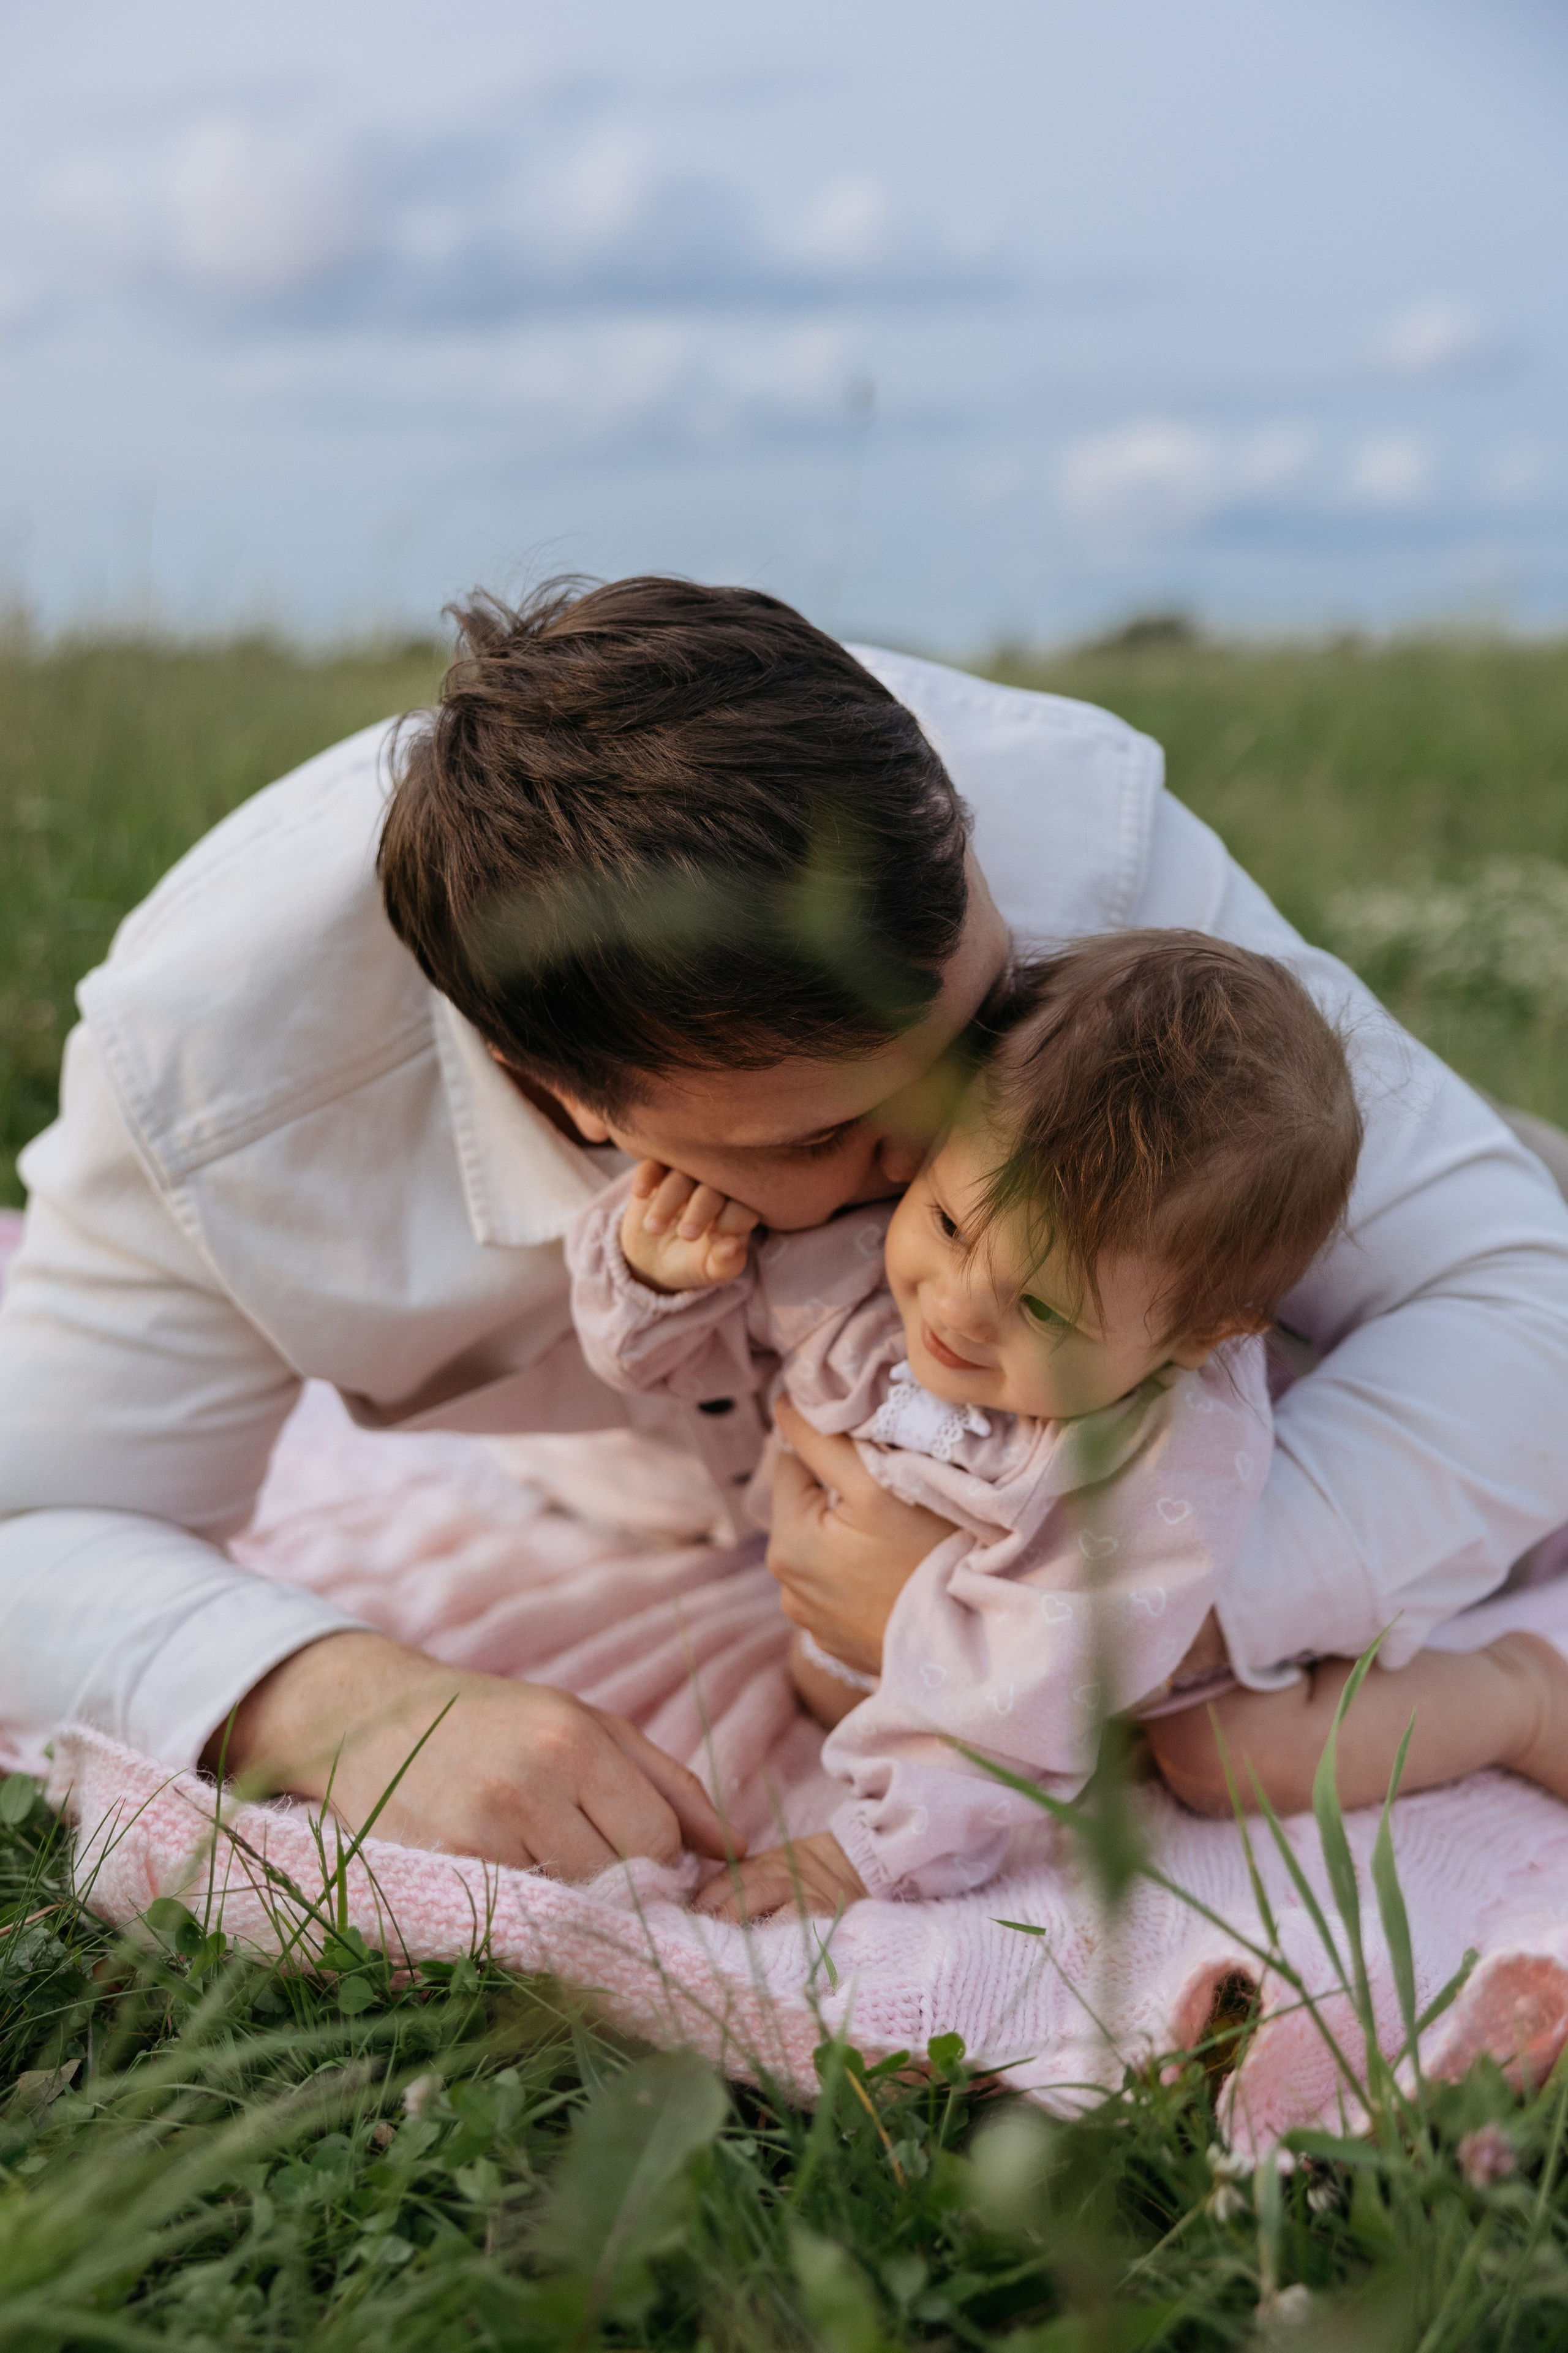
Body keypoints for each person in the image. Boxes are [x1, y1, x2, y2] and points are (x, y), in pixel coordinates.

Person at [3, 576, 1568, 1880]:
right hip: (657, 1487)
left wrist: (1059, 1623)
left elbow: (1505, 1289)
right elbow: (33, 1531)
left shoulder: (1066, 827)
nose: (943, 1144)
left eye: (975, 1026)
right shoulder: (212, 1086)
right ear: (567, 1093)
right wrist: (332, 1703)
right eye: (825, 1134)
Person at [568, 932, 1361, 1916]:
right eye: (945, 1222)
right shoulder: (868, 1254)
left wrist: (875, 1849)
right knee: (823, 1692)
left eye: (1042, 1312)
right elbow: (670, 1369)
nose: (952, 1309)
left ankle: (1522, 1696)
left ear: (1197, 1336)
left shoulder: (1161, 1458)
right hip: (856, 1654)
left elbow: (1038, 1681)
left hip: (1122, 1683)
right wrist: (657, 1276)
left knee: (1232, 1757)